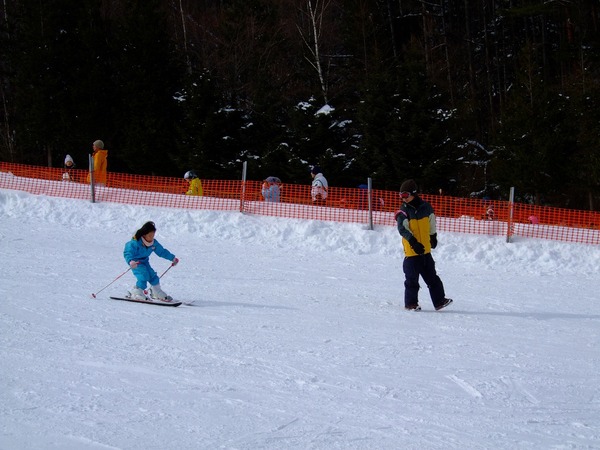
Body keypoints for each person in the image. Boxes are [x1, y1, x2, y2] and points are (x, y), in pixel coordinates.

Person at [395, 179, 453, 311]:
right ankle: (411, 304)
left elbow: (431, 223)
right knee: (412, 280)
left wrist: (433, 237)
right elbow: (402, 229)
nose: (403, 199)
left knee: (432, 278)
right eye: (401, 196)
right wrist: (413, 242)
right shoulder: (403, 211)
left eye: (405, 195)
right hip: (412, 252)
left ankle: (439, 301)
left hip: (425, 251)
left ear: (414, 193)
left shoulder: (426, 208)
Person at [123, 221, 179, 301]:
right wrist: (130, 261)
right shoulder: (135, 243)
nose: (152, 237)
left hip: (145, 261)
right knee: (143, 275)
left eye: (153, 235)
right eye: (150, 235)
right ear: (144, 234)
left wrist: (172, 258)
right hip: (136, 262)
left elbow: (162, 251)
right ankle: (137, 291)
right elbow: (128, 252)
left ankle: (156, 291)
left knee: (152, 275)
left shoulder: (153, 243)